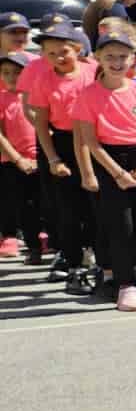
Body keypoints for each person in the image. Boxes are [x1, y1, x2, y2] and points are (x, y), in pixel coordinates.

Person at [73, 26, 136, 311]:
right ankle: (126, 284)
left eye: (123, 56)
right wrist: (117, 173)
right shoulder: (88, 95)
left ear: (133, 59)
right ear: (98, 58)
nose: (117, 62)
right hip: (110, 161)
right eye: (110, 56)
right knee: (121, 227)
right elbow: (90, 141)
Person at [21, 17, 98, 291]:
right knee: (67, 210)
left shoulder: (93, 73)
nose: (59, 57)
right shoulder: (43, 79)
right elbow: (40, 122)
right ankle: (73, 263)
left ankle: (100, 260)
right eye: (51, 53)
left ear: (77, 49)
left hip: (94, 141)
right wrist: (53, 158)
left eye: (64, 51)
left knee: (96, 207)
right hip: (60, 142)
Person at [0, 51, 42, 262]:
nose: (11, 77)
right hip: (14, 163)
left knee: (48, 203)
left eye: (17, 72)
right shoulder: (1, 99)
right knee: (24, 206)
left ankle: (53, 242)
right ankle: (34, 247)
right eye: (5, 72)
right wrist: (18, 159)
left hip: (42, 159)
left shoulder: (35, 96)